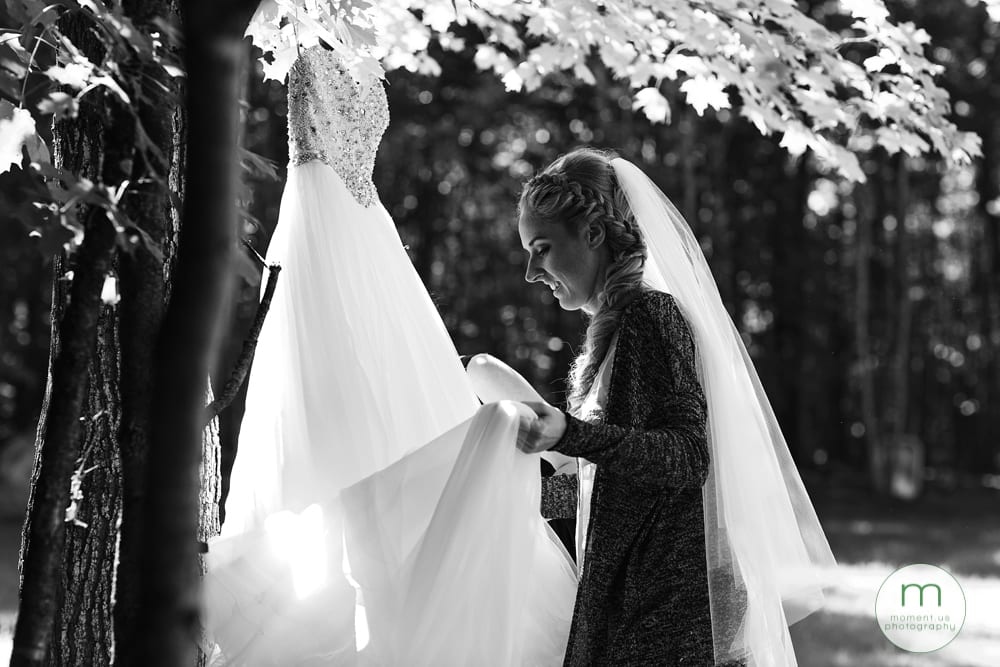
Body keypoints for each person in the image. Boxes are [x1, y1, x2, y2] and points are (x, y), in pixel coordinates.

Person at [200, 41, 576, 665]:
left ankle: (372, 565)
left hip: (361, 222)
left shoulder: (354, 42)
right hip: (327, 221)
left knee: (387, 411)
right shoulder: (302, 36)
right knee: (334, 400)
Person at [513, 148, 837, 666]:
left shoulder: (651, 314)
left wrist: (568, 434)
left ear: (594, 234)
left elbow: (685, 456)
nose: (532, 271)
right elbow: (613, 478)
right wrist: (508, 496)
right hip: (639, 600)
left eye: (543, 248)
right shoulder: (614, 330)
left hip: (675, 609)